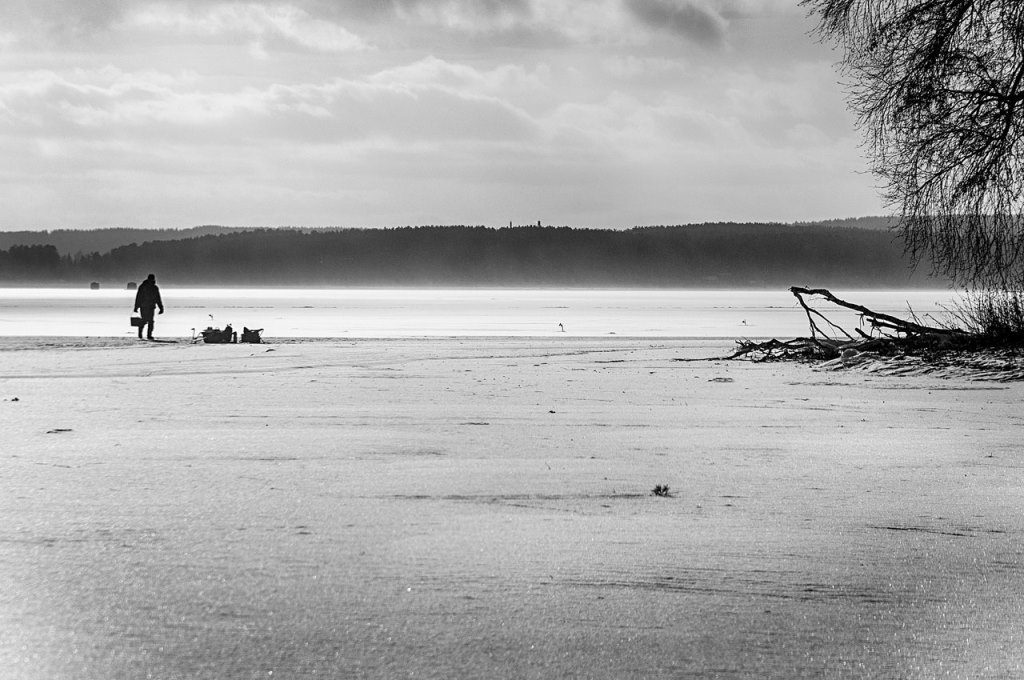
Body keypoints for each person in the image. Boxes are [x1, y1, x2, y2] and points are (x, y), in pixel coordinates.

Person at [133, 273, 164, 340]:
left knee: (150, 321)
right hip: (144, 306)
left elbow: (158, 298)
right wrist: (136, 306)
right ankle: (140, 333)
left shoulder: (154, 288)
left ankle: (149, 335)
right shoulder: (143, 287)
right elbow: (138, 297)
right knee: (144, 320)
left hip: (151, 307)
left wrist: (161, 307)